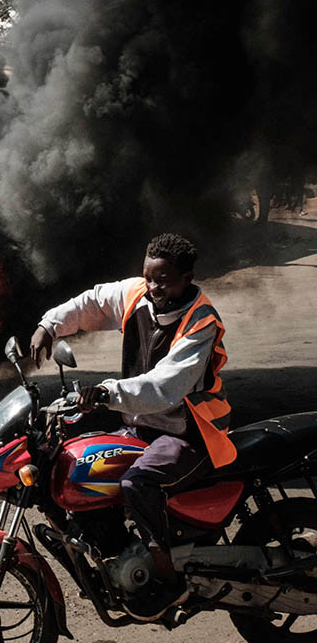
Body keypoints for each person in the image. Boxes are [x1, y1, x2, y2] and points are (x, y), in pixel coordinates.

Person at [29, 233, 235, 618]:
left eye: (164, 280)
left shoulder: (201, 321)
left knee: (137, 483)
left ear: (187, 277)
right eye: (149, 277)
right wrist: (49, 325)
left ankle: (166, 578)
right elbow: (91, 302)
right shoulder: (137, 294)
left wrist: (106, 391)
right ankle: (112, 555)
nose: (154, 287)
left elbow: (166, 385)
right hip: (144, 425)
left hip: (192, 432)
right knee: (83, 462)